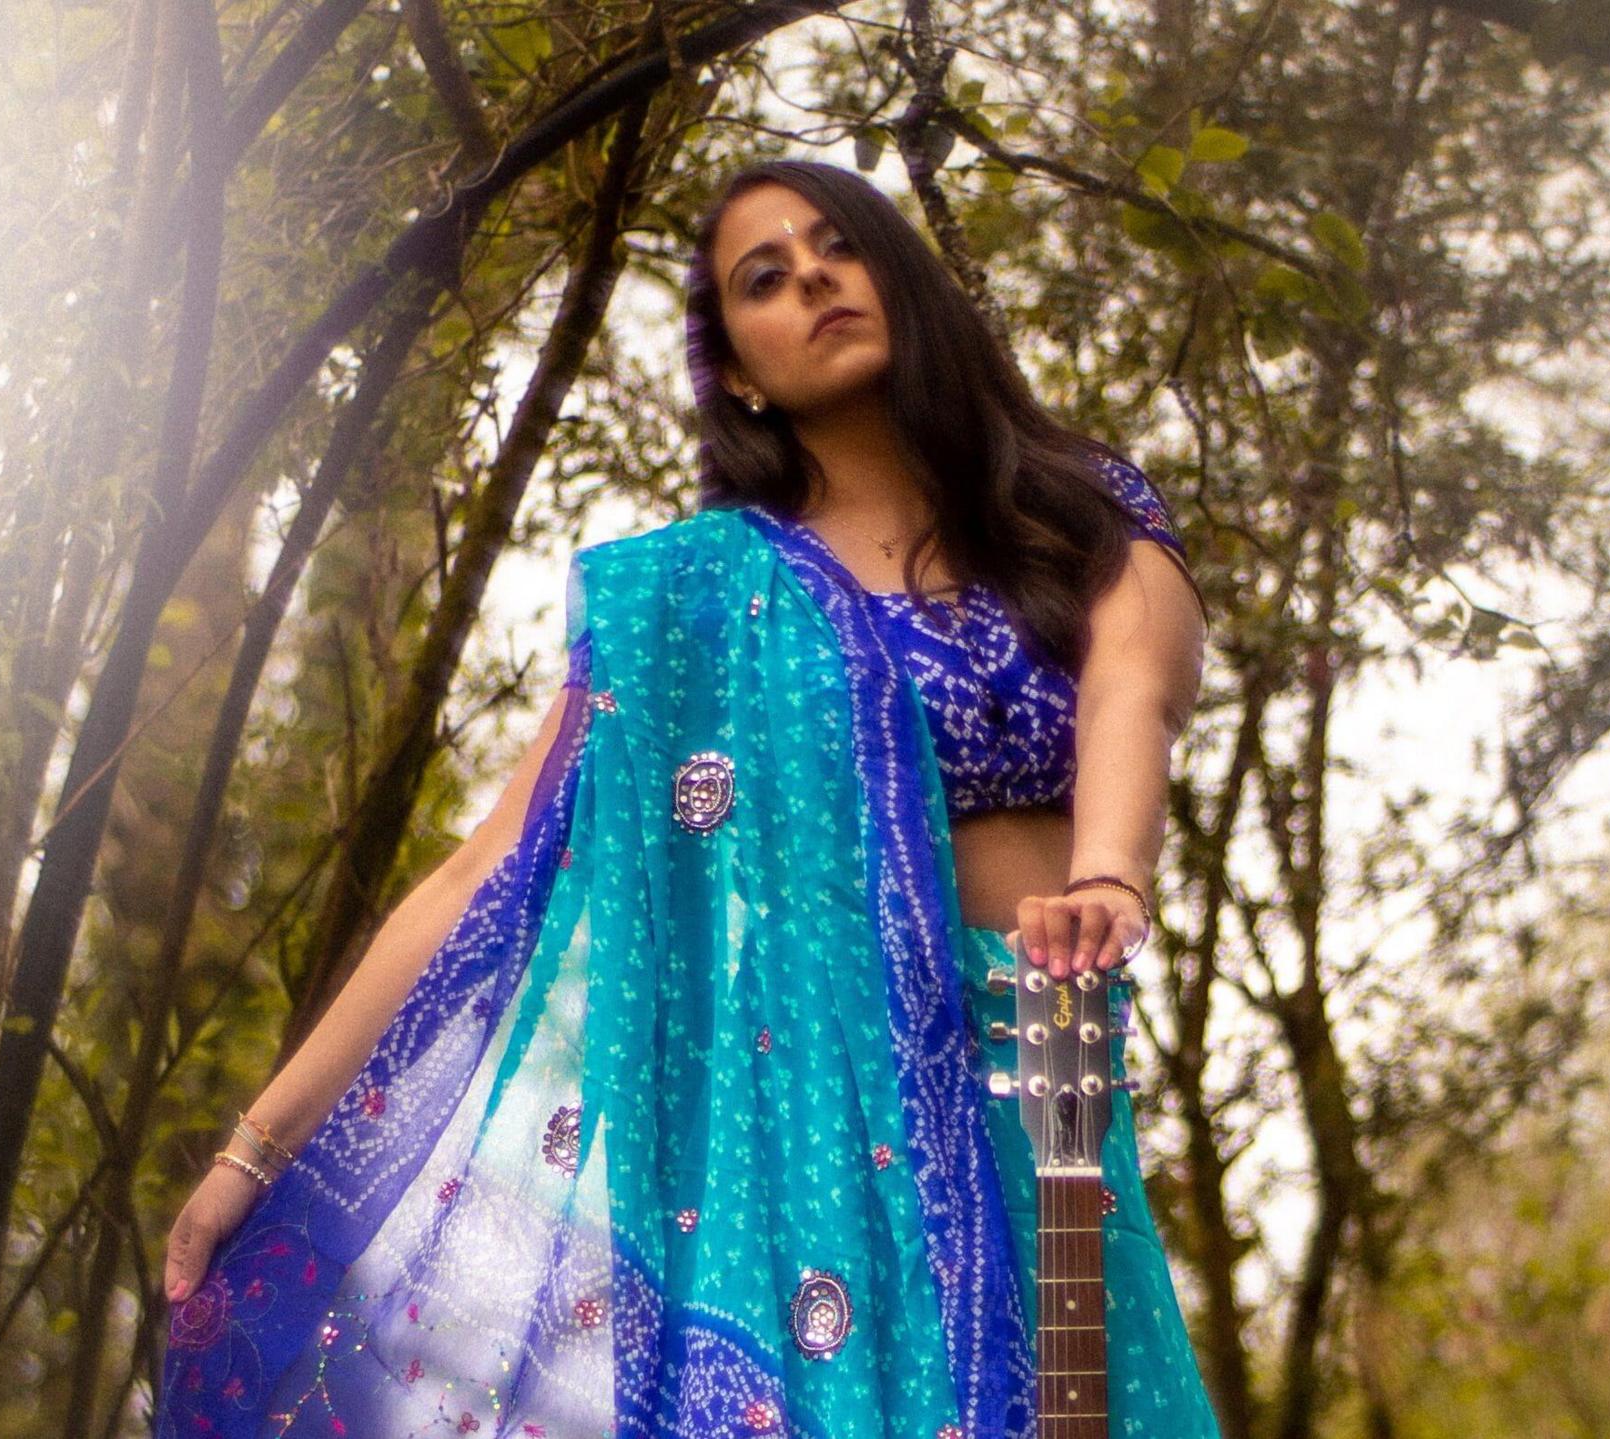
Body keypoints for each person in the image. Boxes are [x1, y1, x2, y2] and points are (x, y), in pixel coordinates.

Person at [154, 157, 1218, 1439]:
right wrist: (251, 1150)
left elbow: (1129, 695)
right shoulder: (696, 610)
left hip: (1041, 1059)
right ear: (744, 372)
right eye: (764, 277)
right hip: (804, 1138)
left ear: (902, 279)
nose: (813, 278)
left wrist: (1107, 870)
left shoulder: (1070, 505)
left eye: (839, 246)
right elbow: (477, 876)